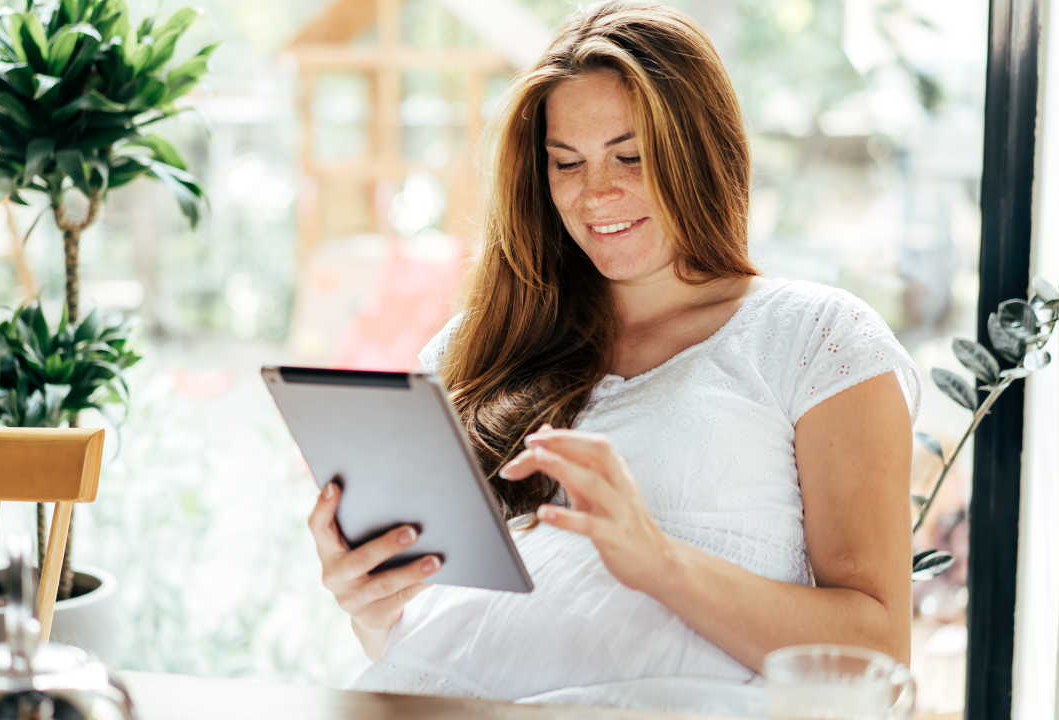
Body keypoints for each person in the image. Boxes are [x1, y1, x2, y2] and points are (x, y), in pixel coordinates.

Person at [305, 1, 920, 714]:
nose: (596, 192)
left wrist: (659, 562)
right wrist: (372, 603)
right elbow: (440, 639)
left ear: (703, 151)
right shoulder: (474, 348)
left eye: (630, 156)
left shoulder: (816, 338)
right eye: (567, 162)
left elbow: (875, 651)